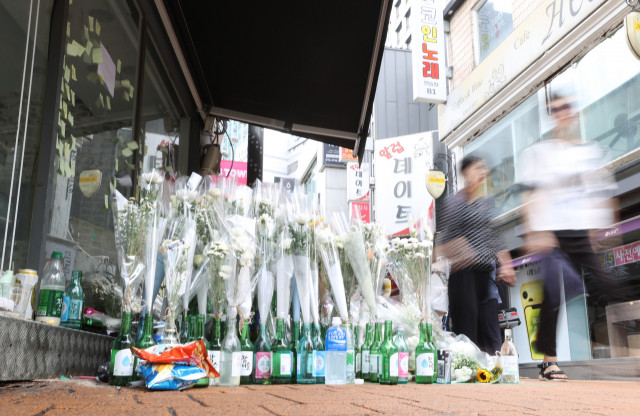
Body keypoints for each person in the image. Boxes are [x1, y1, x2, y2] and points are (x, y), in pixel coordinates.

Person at [519, 93, 618, 381]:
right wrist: (536, 231)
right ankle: (549, 362)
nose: (563, 113)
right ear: (552, 116)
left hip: (581, 232)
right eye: (556, 109)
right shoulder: (540, 153)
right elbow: (532, 194)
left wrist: (601, 229)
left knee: (608, 283)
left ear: (573, 113)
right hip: (553, 233)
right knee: (552, 293)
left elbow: (600, 191)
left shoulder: (588, 151)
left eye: (567, 108)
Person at [437, 156, 516, 348]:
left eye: (483, 169)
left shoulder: (486, 204)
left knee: (485, 327)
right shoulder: (455, 203)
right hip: (463, 274)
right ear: (466, 173)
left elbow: (496, 236)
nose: (482, 173)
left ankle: (484, 370)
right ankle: (466, 368)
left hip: (483, 275)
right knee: (467, 327)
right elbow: (446, 239)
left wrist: (507, 265)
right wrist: (466, 251)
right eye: (477, 168)